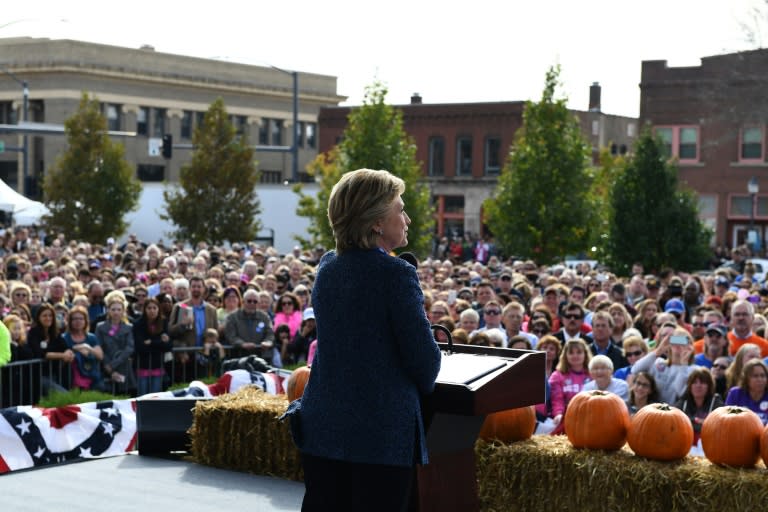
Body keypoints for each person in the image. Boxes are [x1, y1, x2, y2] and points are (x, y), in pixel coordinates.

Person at [282, 168, 441, 511]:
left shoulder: (328, 267)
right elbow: (426, 365)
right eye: (400, 209)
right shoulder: (396, 274)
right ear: (376, 223)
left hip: (324, 429)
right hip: (379, 439)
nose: (408, 218)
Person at [631, 326, 699, 405]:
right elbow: (635, 370)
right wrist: (658, 351)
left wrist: (684, 364)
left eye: (683, 340)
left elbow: (680, 392)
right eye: (675, 339)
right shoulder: (659, 363)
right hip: (652, 409)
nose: (678, 344)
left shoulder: (693, 370)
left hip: (674, 411)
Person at [95, 291, 136, 396]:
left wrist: (113, 364)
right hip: (105, 367)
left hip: (123, 366)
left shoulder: (129, 327)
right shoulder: (100, 327)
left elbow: (129, 348)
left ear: (123, 311)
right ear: (108, 310)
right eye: (113, 309)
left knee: (125, 395)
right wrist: (108, 366)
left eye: (119, 309)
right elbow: (99, 347)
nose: (116, 312)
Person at [548, 338, 592, 434]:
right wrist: (558, 414)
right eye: (571, 353)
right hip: (566, 418)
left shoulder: (592, 374)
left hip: (589, 418)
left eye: (579, 352)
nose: (575, 355)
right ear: (565, 356)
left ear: (585, 354)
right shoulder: (557, 375)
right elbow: (556, 399)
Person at [225, 288, 277, 364]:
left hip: (260, 356)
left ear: (258, 303)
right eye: (249, 301)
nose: (252, 304)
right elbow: (231, 335)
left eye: (255, 302)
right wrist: (242, 344)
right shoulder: (232, 317)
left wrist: (267, 342)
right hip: (238, 356)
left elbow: (270, 333)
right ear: (243, 302)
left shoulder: (264, 317)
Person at [674, 368, 724, 446]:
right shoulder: (683, 402)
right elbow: (673, 422)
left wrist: (689, 421)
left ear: (709, 386)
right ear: (690, 386)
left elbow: (721, 426)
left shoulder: (716, 402)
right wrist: (699, 421)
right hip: (685, 445)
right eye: (694, 382)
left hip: (710, 446)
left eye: (703, 382)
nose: (698, 385)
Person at [132, 297, 171, 395]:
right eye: (149, 308)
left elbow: (168, 346)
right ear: (145, 309)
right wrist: (159, 342)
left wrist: (152, 342)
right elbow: (140, 347)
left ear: (158, 309)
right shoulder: (138, 324)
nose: (152, 310)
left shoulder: (163, 322)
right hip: (142, 366)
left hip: (158, 365)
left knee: (155, 396)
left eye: (155, 308)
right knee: (142, 396)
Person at [63, 305, 105, 391]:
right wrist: (75, 348)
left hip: (91, 377)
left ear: (86, 321)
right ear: (70, 321)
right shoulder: (64, 338)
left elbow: (100, 356)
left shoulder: (91, 337)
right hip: (71, 378)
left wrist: (87, 348)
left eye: (81, 319)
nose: (78, 321)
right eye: (74, 319)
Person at [725, 359, 768, 424]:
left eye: (763, 376)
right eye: (755, 376)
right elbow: (727, 420)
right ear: (746, 378)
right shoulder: (735, 394)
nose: (760, 379)